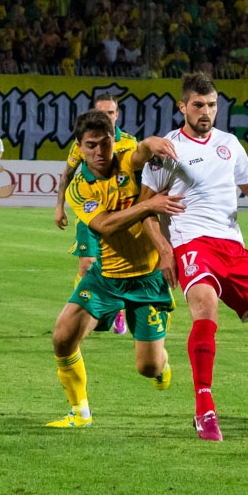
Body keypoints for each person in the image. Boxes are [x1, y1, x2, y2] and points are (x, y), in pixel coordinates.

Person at [139, 72, 248, 442]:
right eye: (198, 105)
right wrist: (164, 250)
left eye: (212, 105)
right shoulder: (167, 150)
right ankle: (205, 410)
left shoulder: (229, 144)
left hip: (233, 247)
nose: (206, 111)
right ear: (182, 107)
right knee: (205, 308)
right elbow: (144, 207)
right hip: (192, 243)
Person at [49, 109, 186, 428]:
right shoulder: (79, 188)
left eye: (106, 142)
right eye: (91, 145)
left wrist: (152, 142)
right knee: (63, 337)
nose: (100, 151)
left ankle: (162, 363)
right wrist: (148, 205)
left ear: (114, 139)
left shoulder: (126, 161)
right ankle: (80, 412)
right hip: (106, 277)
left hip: (147, 278)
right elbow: (105, 226)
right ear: (79, 147)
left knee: (148, 368)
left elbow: (140, 152)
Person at [55, 93, 138, 335]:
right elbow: (67, 174)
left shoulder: (130, 143)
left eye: (110, 113)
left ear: (117, 114)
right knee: (86, 265)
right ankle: (83, 311)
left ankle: (118, 309)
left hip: (121, 216)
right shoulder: (82, 142)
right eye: (101, 113)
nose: (106, 117)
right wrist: (59, 207)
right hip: (91, 215)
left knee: (122, 268)